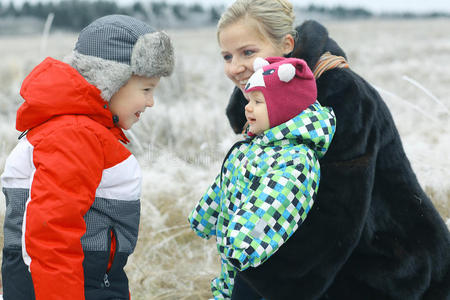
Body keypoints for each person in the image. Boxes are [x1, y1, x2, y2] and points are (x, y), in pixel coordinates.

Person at [216, 0, 450, 299]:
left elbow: (338, 209)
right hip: (318, 261)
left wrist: (271, 279)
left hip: (390, 266)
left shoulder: (340, 94)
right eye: (226, 55)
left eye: (248, 52)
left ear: (287, 44)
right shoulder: (264, 104)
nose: (235, 68)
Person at [0, 15, 174, 299]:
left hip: (85, 281)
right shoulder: (75, 134)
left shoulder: (84, 130)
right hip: (72, 286)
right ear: (110, 80)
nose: (150, 102)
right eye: (146, 89)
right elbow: (51, 234)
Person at [189, 56, 336, 299]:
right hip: (239, 258)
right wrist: (205, 215)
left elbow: (273, 205)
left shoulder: (296, 160)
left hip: (264, 265)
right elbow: (227, 185)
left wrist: (242, 245)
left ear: (285, 109)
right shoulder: (255, 147)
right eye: (249, 100)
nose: (247, 107)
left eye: (258, 101)